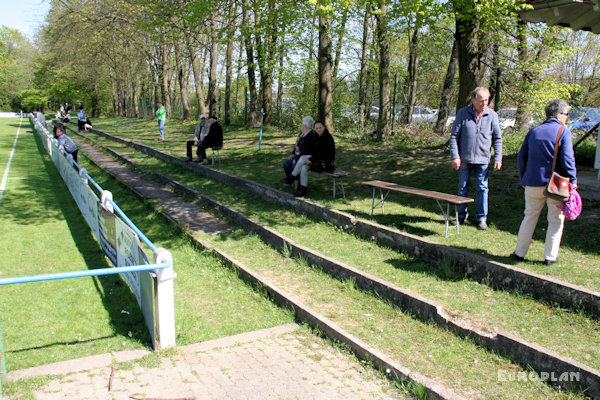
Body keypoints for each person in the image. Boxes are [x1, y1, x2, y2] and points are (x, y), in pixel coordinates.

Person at [513, 99, 577, 266]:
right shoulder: (563, 131)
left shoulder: (534, 131)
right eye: (566, 115)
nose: (567, 118)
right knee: (556, 219)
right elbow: (568, 159)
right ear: (559, 115)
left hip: (532, 182)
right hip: (555, 185)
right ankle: (550, 256)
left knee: (529, 217)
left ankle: (519, 252)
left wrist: (523, 178)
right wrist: (573, 179)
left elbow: (522, 158)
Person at [449, 86, 503, 230]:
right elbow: (454, 136)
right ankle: (461, 216)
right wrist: (455, 156)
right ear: (473, 100)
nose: (484, 103)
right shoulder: (463, 113)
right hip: (464, 160)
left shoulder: (492, 116)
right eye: (481, 100)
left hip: (483, 160)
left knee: (482, 188)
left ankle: (481, 219)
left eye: (486, 100)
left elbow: (497, 138)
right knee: (462, 188)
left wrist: (498, 157)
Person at [289, 120, 335, 197]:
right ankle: (303, 191)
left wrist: (311, 161)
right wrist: (312, 160)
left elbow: (325, 155)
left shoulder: (328, 138)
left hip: (327, 163)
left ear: (324, 127)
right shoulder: (316, 137)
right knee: (304, 167)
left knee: (303, 158)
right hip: (318, 162)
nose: (318, 130)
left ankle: (292, 177)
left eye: (320, 128)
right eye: (316, 128)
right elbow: (315, 153)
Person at [281, 116, 318, 186]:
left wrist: (296, 158)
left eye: (302, 123)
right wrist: (293, 154)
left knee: (294, 166)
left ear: (305, 125)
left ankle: (296, 184)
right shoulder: (302, 133)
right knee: (286, 164)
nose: (301, 125)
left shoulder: (311, 135)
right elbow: (296, 145)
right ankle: (289, 179)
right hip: (297, 155)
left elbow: (305, 151)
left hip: (304, 157)